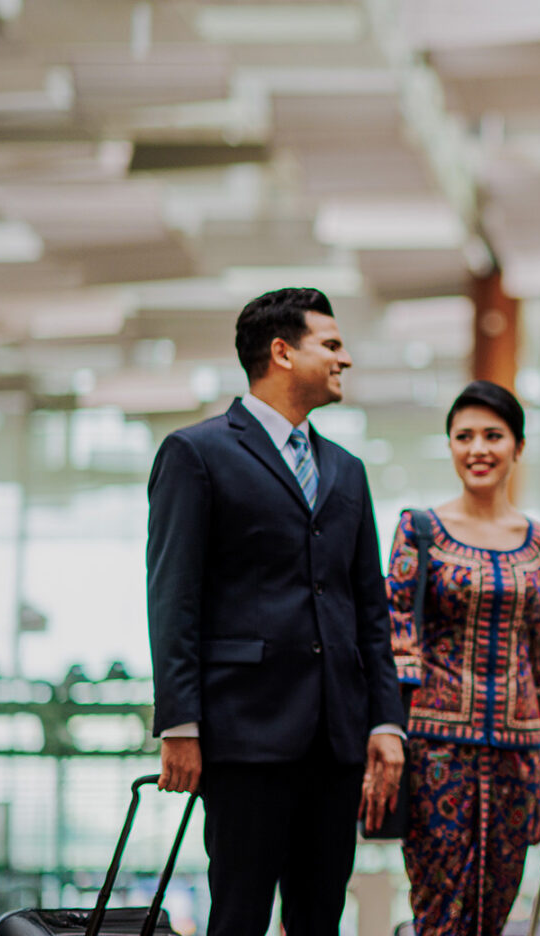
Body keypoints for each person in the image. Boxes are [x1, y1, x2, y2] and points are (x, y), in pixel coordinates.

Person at [146, 287, 405, 936]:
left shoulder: (346, 470)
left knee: (320, 918)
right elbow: (173, 595)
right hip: (244, 732)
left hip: (336, 738)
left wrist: (385, 721)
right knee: (239, 916)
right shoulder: (196, 453)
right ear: (282, 351)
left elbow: (369, 610)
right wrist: (180, 722)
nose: (346, 359)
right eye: (333, 345)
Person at [386, 380, 540, 936]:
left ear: (518, 446)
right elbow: (395, 636)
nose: (478, 449)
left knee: (496, 909)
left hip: (517, 753)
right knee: (439, 906)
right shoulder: (419, 531)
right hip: (435, 751)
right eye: (464, 436)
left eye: (493, 435)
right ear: (449, 446)